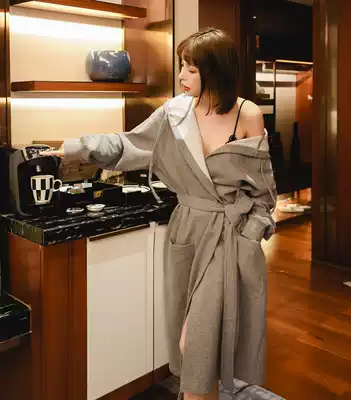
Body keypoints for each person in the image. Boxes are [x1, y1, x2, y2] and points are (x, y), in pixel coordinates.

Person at [44, 27, 277, 400]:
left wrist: (252, 233)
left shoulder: (246, 114)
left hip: (228, 237)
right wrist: (76, 148)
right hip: (186, 232)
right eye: (181, 66)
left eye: (191, 69)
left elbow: (263, 189)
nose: (181, 76)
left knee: (198, 340)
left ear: (215, 70)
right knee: (190, 340)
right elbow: (130, 144)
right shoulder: (175, 112)